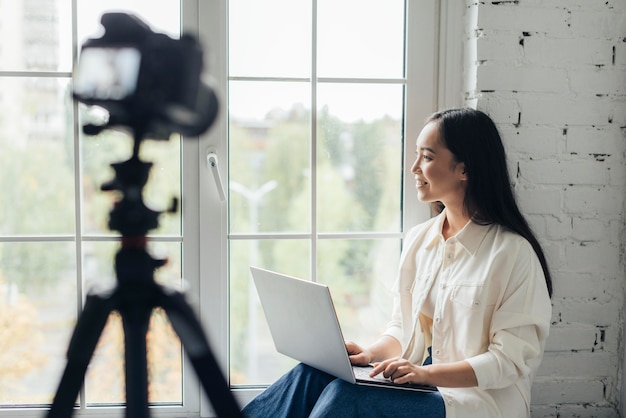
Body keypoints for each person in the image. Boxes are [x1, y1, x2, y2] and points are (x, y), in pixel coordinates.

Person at [242, 108, 553, 418]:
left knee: (347, 397)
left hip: (474, 404)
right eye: (417, 155)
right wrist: (370, 354)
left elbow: (509, 361)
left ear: (464, 169)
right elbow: (402, 329)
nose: (415, 167)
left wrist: (425, 374)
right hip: (420, 386)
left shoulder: (513, 254)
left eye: (428, 157)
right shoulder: (420, 240)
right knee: (312, 374)